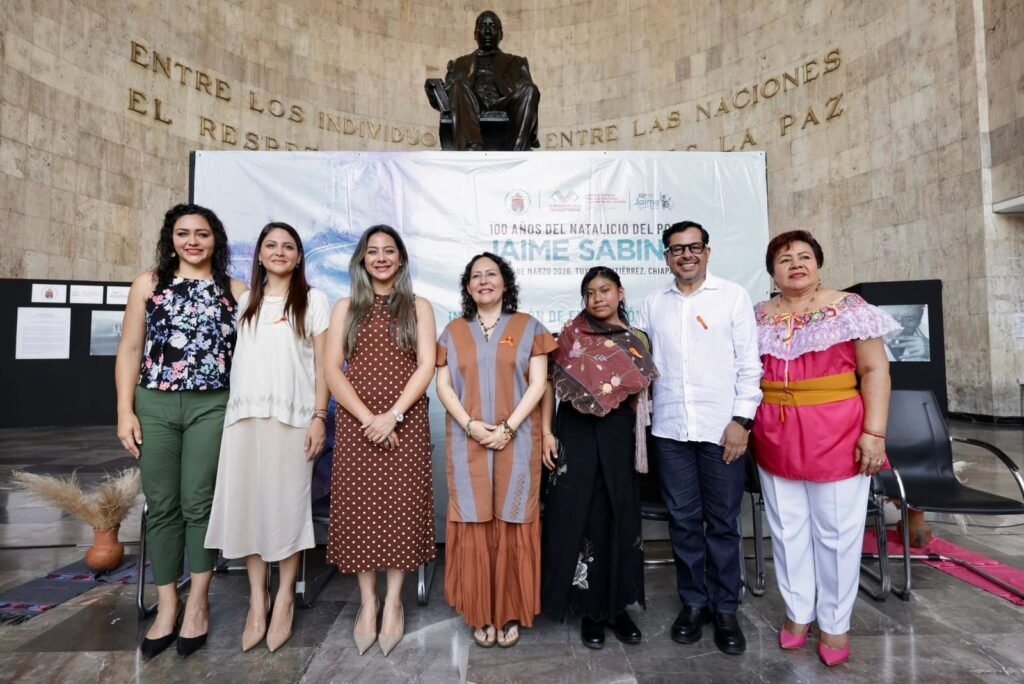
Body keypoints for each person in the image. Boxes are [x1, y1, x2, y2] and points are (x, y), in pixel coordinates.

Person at [750, 230, 898, 667]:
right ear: (772, 272)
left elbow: (875, 371)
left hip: (837, 432)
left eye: (804, 256)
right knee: (786, 529)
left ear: (818, 264)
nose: (795, 264)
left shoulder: (849, 309)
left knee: (836, 533)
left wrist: (874, 433)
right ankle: (798, 612)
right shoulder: (757, 316)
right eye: (784, 259)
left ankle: (835, 621)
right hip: (774, 431)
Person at [115, 203, 247, 658]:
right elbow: (130, 348)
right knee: (162, 503)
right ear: (170, 239)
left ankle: (198, 604)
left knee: (199, 501)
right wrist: (125, 411)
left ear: (216, 240)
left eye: (202, 234)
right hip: (154, 403)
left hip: (213, 404)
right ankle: (168, 604)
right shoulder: (148, 285)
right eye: (183, 233)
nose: (193, 241)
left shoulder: (235, 291)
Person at [636, 220, 762, 656]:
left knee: (723, 523)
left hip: (721, 430)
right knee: (683, 522)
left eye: (694, 247)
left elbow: (750, 365)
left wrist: (742, 421)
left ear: (707, 252)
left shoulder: (733, 297)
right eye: (677, 249)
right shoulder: (653, 304)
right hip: (670, 431)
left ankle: (725, 609)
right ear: (667, 257)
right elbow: (637, 361)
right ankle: (693, 603)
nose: (686, 255)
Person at [204, 222, 331, 652]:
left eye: (288, 246)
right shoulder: (245, 301)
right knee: (249, 511)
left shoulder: (314, 300)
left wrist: (319, 417)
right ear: (259, 254)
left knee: (287, 511)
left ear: (299, 257)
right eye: (271, 245)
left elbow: (324, 367)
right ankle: (257, 601)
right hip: (244, 419)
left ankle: (285, 599)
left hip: (294, 420)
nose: (279, 252)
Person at [324, 225, 437, 657]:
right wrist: (368, 418)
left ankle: (393, 603)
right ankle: (367, 603)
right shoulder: (346, 307)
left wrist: (393, 416)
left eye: (389, 251)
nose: (381, 258)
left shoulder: (419, 307)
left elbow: (425, 365)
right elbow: (332, 370)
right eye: (373, 251)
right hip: (358, 424)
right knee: (360, 510)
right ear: (362, 259)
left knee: (401, 509)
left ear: (401, 259)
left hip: (405, 423)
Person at [435, 252, 557, 648]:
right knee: (474, 523)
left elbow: (538, 384)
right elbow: (443, 386)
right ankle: (480, 613)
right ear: (468, 287)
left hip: (517, 442)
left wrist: (507, 428)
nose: (484, 281)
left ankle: (508, 612)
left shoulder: (529, 327)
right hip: (466, 442)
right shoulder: (452, 332)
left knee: (513, 522)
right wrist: (470, 425)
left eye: (492, 274)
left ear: (506, 283)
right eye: (476, 276)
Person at [539, 267, 658, 649]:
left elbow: (642, 394)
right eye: (590, 293)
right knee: (581, 513)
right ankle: (589, 609)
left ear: (620, 293)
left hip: (619, 433)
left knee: (619, 513)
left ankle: (618, 607)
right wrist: (547, 433)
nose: (597, 298)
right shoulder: (570, 335)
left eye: (605, 290)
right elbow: (549, 385)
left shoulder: (636, 339)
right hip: (576, 431)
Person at [444, 10, 540, 151]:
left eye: (493, 26)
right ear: (475, 34)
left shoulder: (517, 62)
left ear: (501, 34)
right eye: (483, 26)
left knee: (530, 90)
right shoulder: (459, 63)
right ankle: (472, 145)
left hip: (504, 103)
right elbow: (448, 97)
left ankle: (515, 150)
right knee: (458, 84)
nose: (488, 31)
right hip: (472, 104)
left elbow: (528, 98)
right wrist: (433, 92)